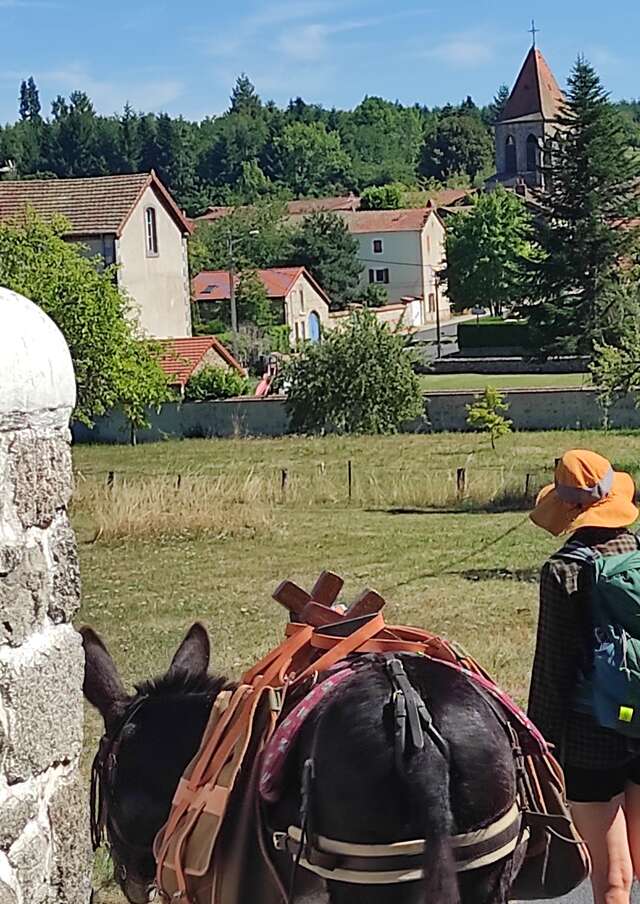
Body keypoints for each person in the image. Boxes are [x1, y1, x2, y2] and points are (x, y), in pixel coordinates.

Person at [528, 449, 640, 904]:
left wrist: (539, 745)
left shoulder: (563, 571)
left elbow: (552, 670)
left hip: (590, 737)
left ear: (569, 507)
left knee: (613, 878)